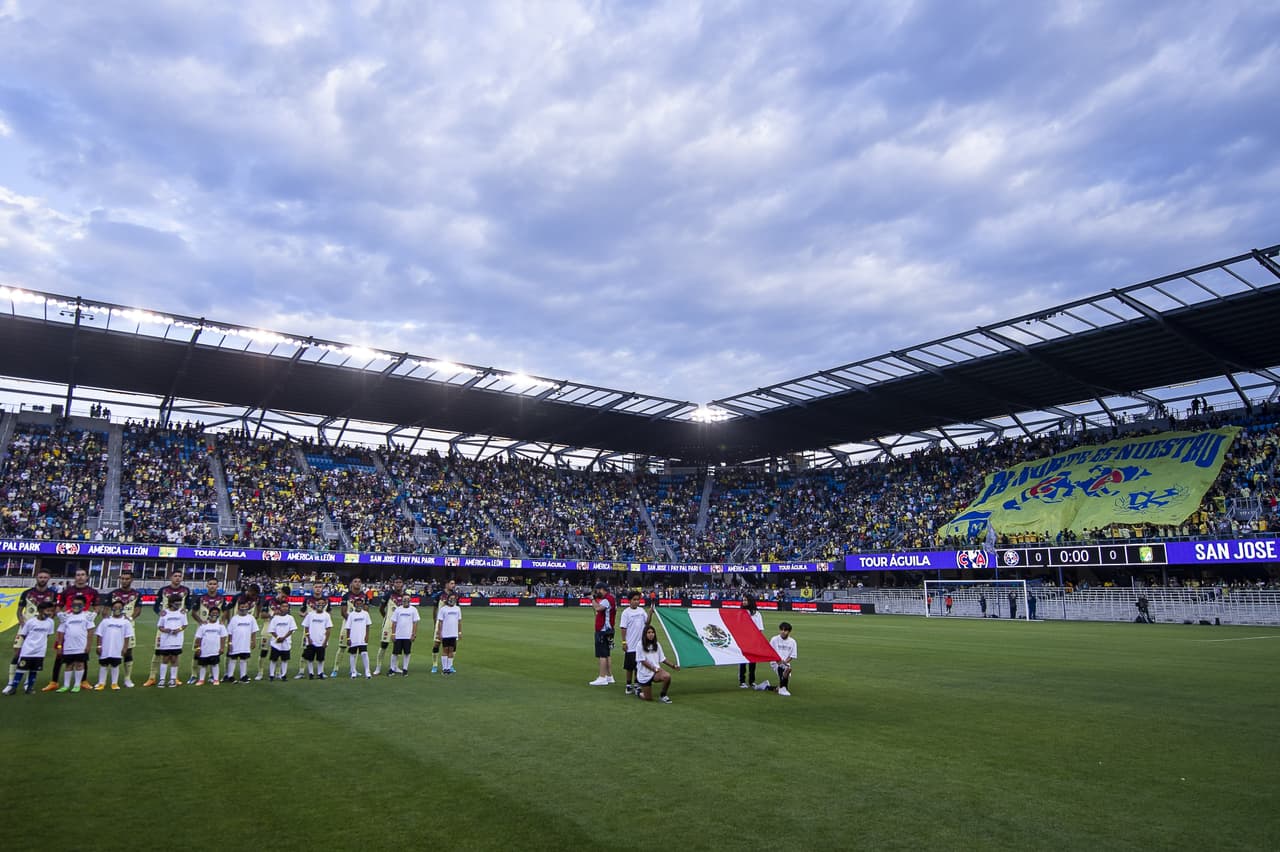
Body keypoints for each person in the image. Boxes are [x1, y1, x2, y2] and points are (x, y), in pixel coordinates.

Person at [43, 568, 101, 692]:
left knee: (82, 655)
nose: (80, 577)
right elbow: (58, 606)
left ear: (87, 577)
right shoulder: (67, 591)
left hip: (82, 625)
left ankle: (83, 681)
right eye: (78, 575)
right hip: (68, 623)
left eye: (82, 575)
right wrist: (59, 614)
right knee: (60, 654)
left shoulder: (92, 591)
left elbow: (97, 607)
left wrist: (94, 614)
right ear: (75, 577)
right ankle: (54, 681)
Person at [9, 569, 58, 690]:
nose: (42, 579)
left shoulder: (52, 594)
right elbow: (19, 611)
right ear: (36, 577)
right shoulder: (27, 593)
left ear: (49, 579)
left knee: (34, 655)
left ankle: (27, 683)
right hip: (26, 627)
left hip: (40, 629)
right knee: (17, 654)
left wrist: (46, 622)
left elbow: (54, 611)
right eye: (40, 577)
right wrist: (22, 625)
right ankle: (11, 682)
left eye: (45, 577)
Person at [144, 571, 191, 687]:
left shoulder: (185, 590)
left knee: (175, 654)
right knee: (158, 652)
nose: (177, 578)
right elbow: (156, 605)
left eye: (180, 576)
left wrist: (186, 610)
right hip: (164, 627)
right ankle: (152, 677)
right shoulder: (164, 590)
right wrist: (160, 613)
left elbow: (188, 604)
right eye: (175, 576)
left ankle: (174, 678)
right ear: (171, 577)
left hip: (177, 626)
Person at [3, 600, 58, 695]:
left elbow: (48, 635)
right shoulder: (31, 622)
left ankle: (30, 688)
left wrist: (40, 644)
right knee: (20, 669)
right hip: (27, 650)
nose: (49, 613)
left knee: (34, 670)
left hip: (40, 651)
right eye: (47, 610)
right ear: (40, 610)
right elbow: (24, 634)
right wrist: (29, 644)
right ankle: (13, 688)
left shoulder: (50, 622)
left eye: (51, 611)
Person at [105, 569, 144, 687]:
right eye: (122, 578)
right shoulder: (112, 594)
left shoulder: (136, 594)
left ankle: (127, 678)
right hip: (114, 627)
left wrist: (130, 619)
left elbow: (138, 610)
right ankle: (110, 679)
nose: (124, 581)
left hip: (128, 627)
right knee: (112, 651)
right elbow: (105, 610)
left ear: (132, 580)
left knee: (128, 651)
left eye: (127, 579)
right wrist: (109, 620)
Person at [54, 594, 96, 693]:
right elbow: (61, 632)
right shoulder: (66, 616)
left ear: (84, 605)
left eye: (79, 604)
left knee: (80, 665)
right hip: (68, 646)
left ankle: (77, 685)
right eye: (74, 604)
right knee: (68, 665)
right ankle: (66, 685)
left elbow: (90, 632)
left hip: (81, 646)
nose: (76, 606)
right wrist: (60, 646)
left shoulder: (87, 616)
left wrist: (88, 645)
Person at [93, 600, 134, 691]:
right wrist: (99, 646)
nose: (117, 609)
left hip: (117, 648)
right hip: (105, 648)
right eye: (115, 607)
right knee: (103, 665)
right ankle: (101, 683)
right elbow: (99, 634)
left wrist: (125, 648)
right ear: (112, 608)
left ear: (122, 609)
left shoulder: (126, 622)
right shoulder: (106, 621)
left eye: (119, 608)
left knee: (115, 665)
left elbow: (127, 636)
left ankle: (114, 683)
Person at [189, 578, 225, 683]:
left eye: (214, 584)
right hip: (203, 631)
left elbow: (226, 611)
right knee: (197, 652)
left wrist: (223, 619)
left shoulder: (221, 598)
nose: (212, 586)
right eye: (210, 584)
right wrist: (200, 621)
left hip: (215, 631)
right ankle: (194, 675)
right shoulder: (201, 598)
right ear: (207, 586)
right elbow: (193, 612)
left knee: (213, 653)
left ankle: (211, 676)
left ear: (217, 586)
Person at [635, 624, 678, 703]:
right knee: (648, 698)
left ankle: (663, 695)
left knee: (667, 676)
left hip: (656, 671)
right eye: (649, 632)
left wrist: (673, 666)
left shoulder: (657, 644)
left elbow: (663, 659)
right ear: (645, 634)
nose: (651, 634)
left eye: (652, 632)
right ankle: (638, 692)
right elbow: (642, 661)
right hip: (644, 674)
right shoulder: (639, 645)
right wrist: (653, 668)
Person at [619, 591, 652, 695]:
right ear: (630, 600)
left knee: (639, 666)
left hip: (640, 645)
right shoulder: (626, 613)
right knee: (629, 667)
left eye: (638, 600)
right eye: (634, 600)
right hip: (630, 644)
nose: (636, 602)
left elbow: (647, 623)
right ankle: (628, 685)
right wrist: (624, 642)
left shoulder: (641, 611)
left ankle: (637, 684)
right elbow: (623, 628)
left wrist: (650, 613)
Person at [374, 577, 408, 676]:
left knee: (397, 647)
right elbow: (381, 608)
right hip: (388, 624)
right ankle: (378, 667)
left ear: (403, 584)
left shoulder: (406, 596)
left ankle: (395, 666)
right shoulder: (389, 594)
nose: (398, 584)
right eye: (396, 582)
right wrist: (387, 618)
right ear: (393, 584)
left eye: (400, 582)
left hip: (401, 626)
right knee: (384, 645)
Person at [155, 594, 189, 688]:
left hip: (177, 640)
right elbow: (160, 626)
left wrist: (179, 629)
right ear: (171, 603)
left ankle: (173, 679)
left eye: (180, 602)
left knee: (174, 658)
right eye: (176, 602)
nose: (178, 604)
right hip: (166, 640)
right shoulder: (164, 613)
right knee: (165, 659)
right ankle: (162, 679)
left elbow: (185, 625)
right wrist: (165, 630)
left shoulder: (182, 613)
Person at [588, 581, 616, 686]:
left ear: (602, 589)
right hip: (609, 629)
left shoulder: (607, 600)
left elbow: (598, 608)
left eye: (598, 590)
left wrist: (592, 600)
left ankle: (602, 677)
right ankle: (609, 676)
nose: (597, 592)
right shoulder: (611, 598)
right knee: (607, 654)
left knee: (602, 654)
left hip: (603, 630)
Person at [224, 600, 259, 683]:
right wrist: (229, 643)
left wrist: (253, 641)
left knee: (244, 659)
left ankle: (243, 676)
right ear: (239, 607)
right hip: (235, 644)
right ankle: (230, 676)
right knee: (233, 659)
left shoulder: (251, 618)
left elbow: (254, 631)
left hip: (245, 644)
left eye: (246, 607)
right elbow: (230, 632)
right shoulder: (234, 619)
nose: (244, 609)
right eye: (242, 607)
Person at [301, 596, 334, 680]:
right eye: (319, 603)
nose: (320, 605)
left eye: (322, 604)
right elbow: (306, 627)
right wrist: (308, 638)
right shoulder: (310, 615)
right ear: (315, 604)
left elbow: (328, 629)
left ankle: (320, 673)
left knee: (321, 658)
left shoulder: (326, 615)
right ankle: (311, 673)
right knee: (310, 658)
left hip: (321, 640)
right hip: (311, 640)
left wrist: (326, 641)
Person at [430, 579, 459, 673]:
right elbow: (434, 609)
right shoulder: (439, 595)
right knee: (437, 643)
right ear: (446, 584)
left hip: (452, 625)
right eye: (451, 583)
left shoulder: (455, 595)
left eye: (454, 583)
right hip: (441, 623)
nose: (453, 585)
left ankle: (450, 666)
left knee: (453, 645)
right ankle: (434, 664)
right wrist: (435, 621)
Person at [192, 610, 229, 685]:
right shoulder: (203, 625)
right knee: (203, 665)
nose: (214, 615)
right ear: (209, 614)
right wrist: (198, 648)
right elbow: (198, 638)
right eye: (213, 613)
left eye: (216, 613)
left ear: (218, 615)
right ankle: (201, 680)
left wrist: (222, 648)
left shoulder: (220, 625)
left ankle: (216, 679)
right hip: (204, 649)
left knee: (215, 664)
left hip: (215, 649)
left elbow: (223, 637)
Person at [387, 594, 420, 676]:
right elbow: (394, 623)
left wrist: (413, 634)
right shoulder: (398, 610)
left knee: (407, 653)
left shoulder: (413, 610)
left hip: (408, 635)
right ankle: (392, 668)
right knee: (395, 653)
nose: (406, 601)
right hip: (398, 635)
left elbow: (415, 623)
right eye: (404, 599)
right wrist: (393, 634)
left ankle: (405, 669)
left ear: (410, 600)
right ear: (402, 600)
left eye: (407, 599)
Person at [342, 594, 373, 679]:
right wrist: (348, 638)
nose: (359, 605)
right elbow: (348, 628)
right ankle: (353, 672)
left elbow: (367, 626)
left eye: (360, 604)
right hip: (353, 638)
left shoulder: (366, 614)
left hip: (362, 638)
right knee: (353, 654)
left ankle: (367, 671)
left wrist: (367, 636)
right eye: (357, 604)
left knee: (364, 653)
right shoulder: (351, 615)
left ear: (362, 605)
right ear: (354, 605)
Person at [266, 601, 298, 681]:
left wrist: (284, 637)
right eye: (283, 606)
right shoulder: (275, 618)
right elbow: (271, 630)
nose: (285, 608)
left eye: (286, 606)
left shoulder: (290, 618)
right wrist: (277, 638)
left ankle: (283, 675)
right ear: (280, 607)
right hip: (275, 643)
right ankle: (271, 675)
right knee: (274, 659)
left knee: (285, 660)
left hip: (286, 642)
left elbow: (292, 629)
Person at [766, 622, 797, 697]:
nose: (783, 631)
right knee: (783, 669)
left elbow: (792, 656)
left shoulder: (792, 642)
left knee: (785, 672)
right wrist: (778, 661)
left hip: (785, 662)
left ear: (789, 632)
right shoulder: (774, 639)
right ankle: (783, 689)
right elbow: (770, 652)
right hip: (775, 661)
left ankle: (769, 687)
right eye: (781, 629)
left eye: (785, 630)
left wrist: (785, 662)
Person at [738, 596, 764, 689]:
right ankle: (742, 681)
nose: (743, 602)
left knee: (753, 662)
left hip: (753, 641)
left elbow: (760, 629)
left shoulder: (757, 614)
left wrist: (758, 641)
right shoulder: (740, 613)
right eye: (743, 600)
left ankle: (752, 681)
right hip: (743, 640)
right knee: (742, 661)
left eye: (745, 600)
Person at [434, 593, 462, 675]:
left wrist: (459, 632)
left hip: (453, 633)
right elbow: (440, 622)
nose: (452, 600)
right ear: (448, 599)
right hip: (445, 632)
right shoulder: (443, 609)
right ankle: (444, 668)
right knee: (445, 650)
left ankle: (449, 667)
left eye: (454, 598)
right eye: (451, 598)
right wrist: (439, 633)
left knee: (451, 650)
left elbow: (459, 621)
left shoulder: (457, 609)